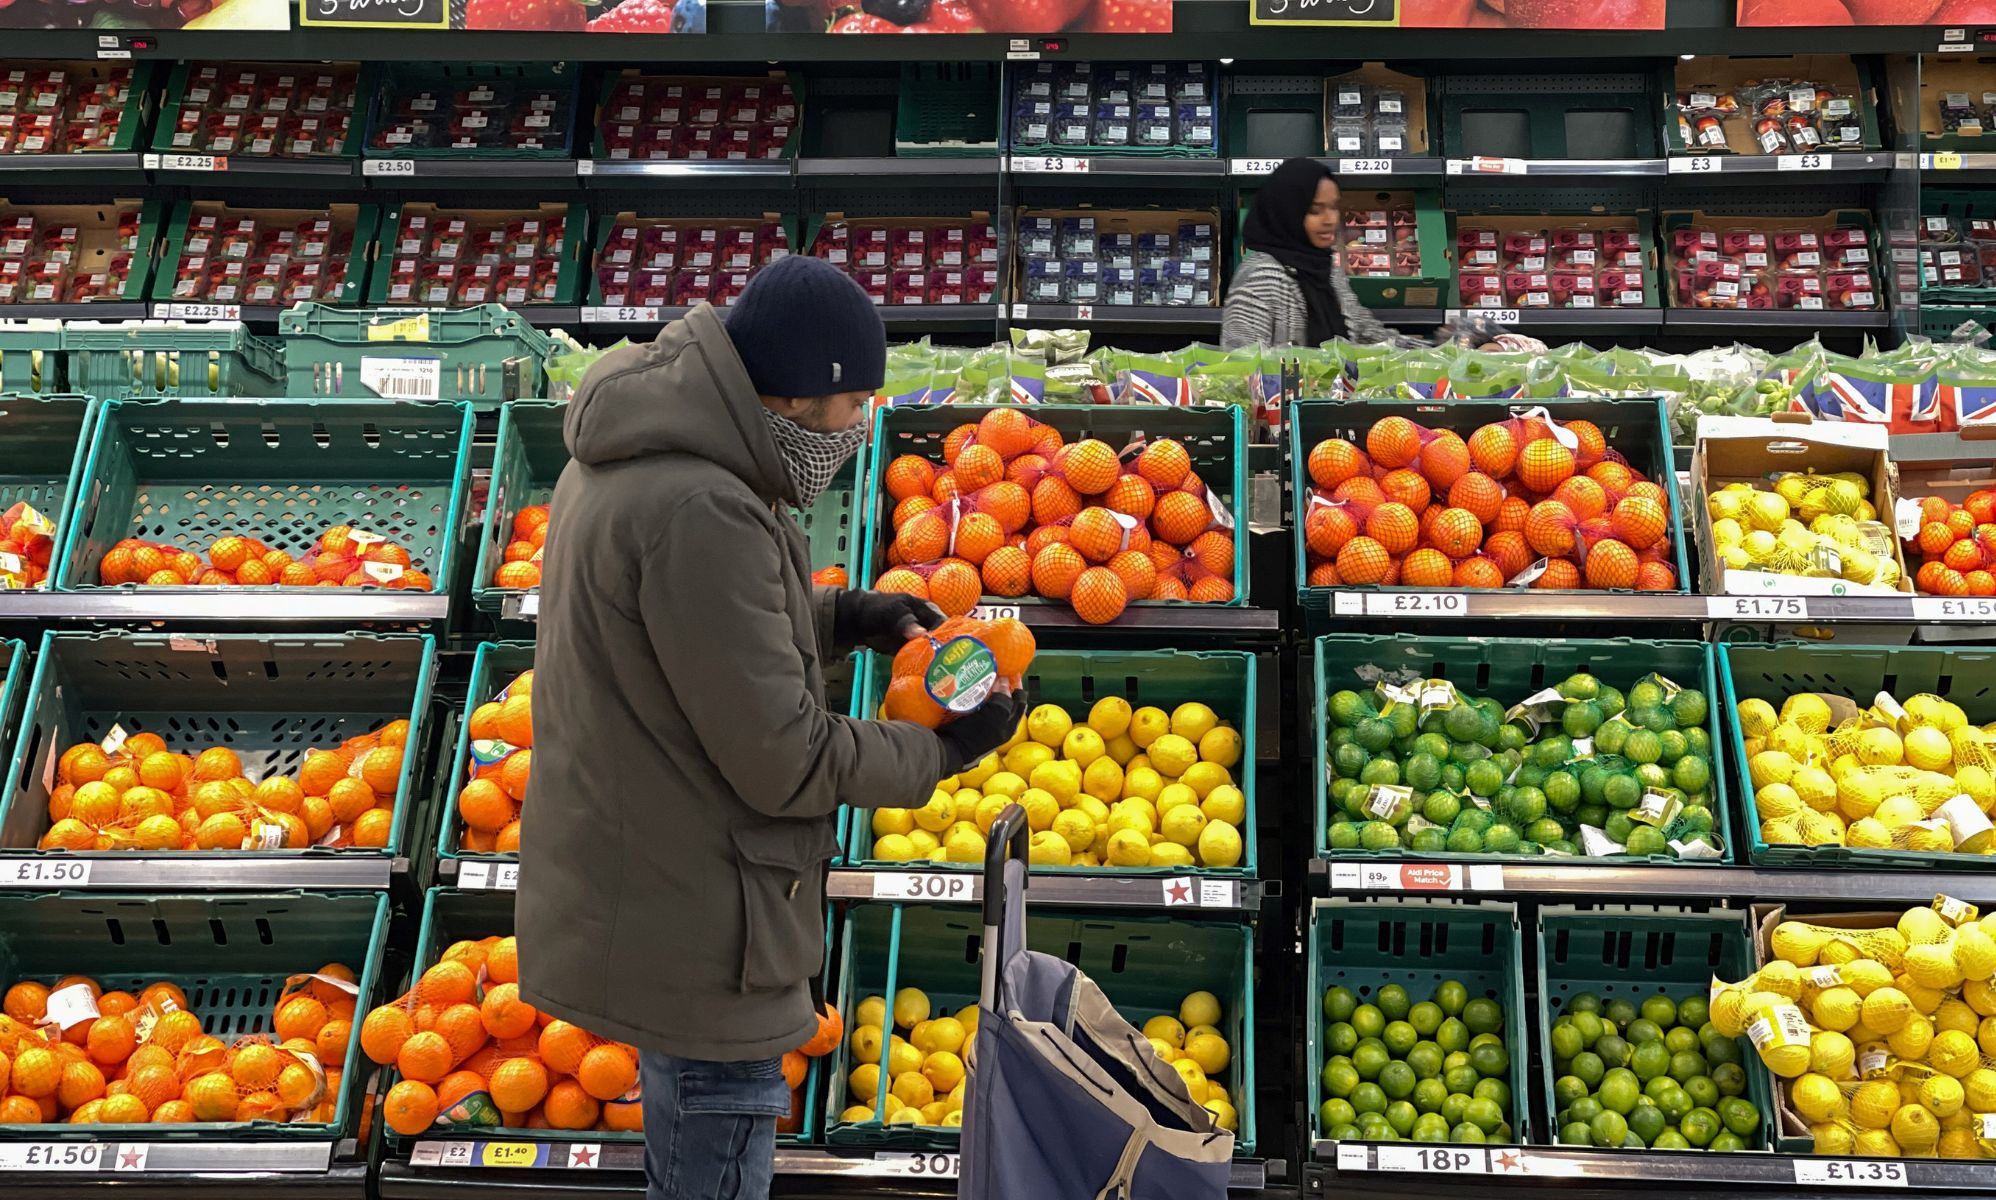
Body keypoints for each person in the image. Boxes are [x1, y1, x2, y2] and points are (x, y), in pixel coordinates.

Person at [516, 254, 1023, 1200]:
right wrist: (945, 751)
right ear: (794, 400)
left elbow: (684, 640)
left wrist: (845, 619)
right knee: (712, 1150)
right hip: (703, 915)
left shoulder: (642, 456)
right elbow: (784, 759)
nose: (858, 427)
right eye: (852, 404)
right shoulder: (703, 505)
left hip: (652, 875)